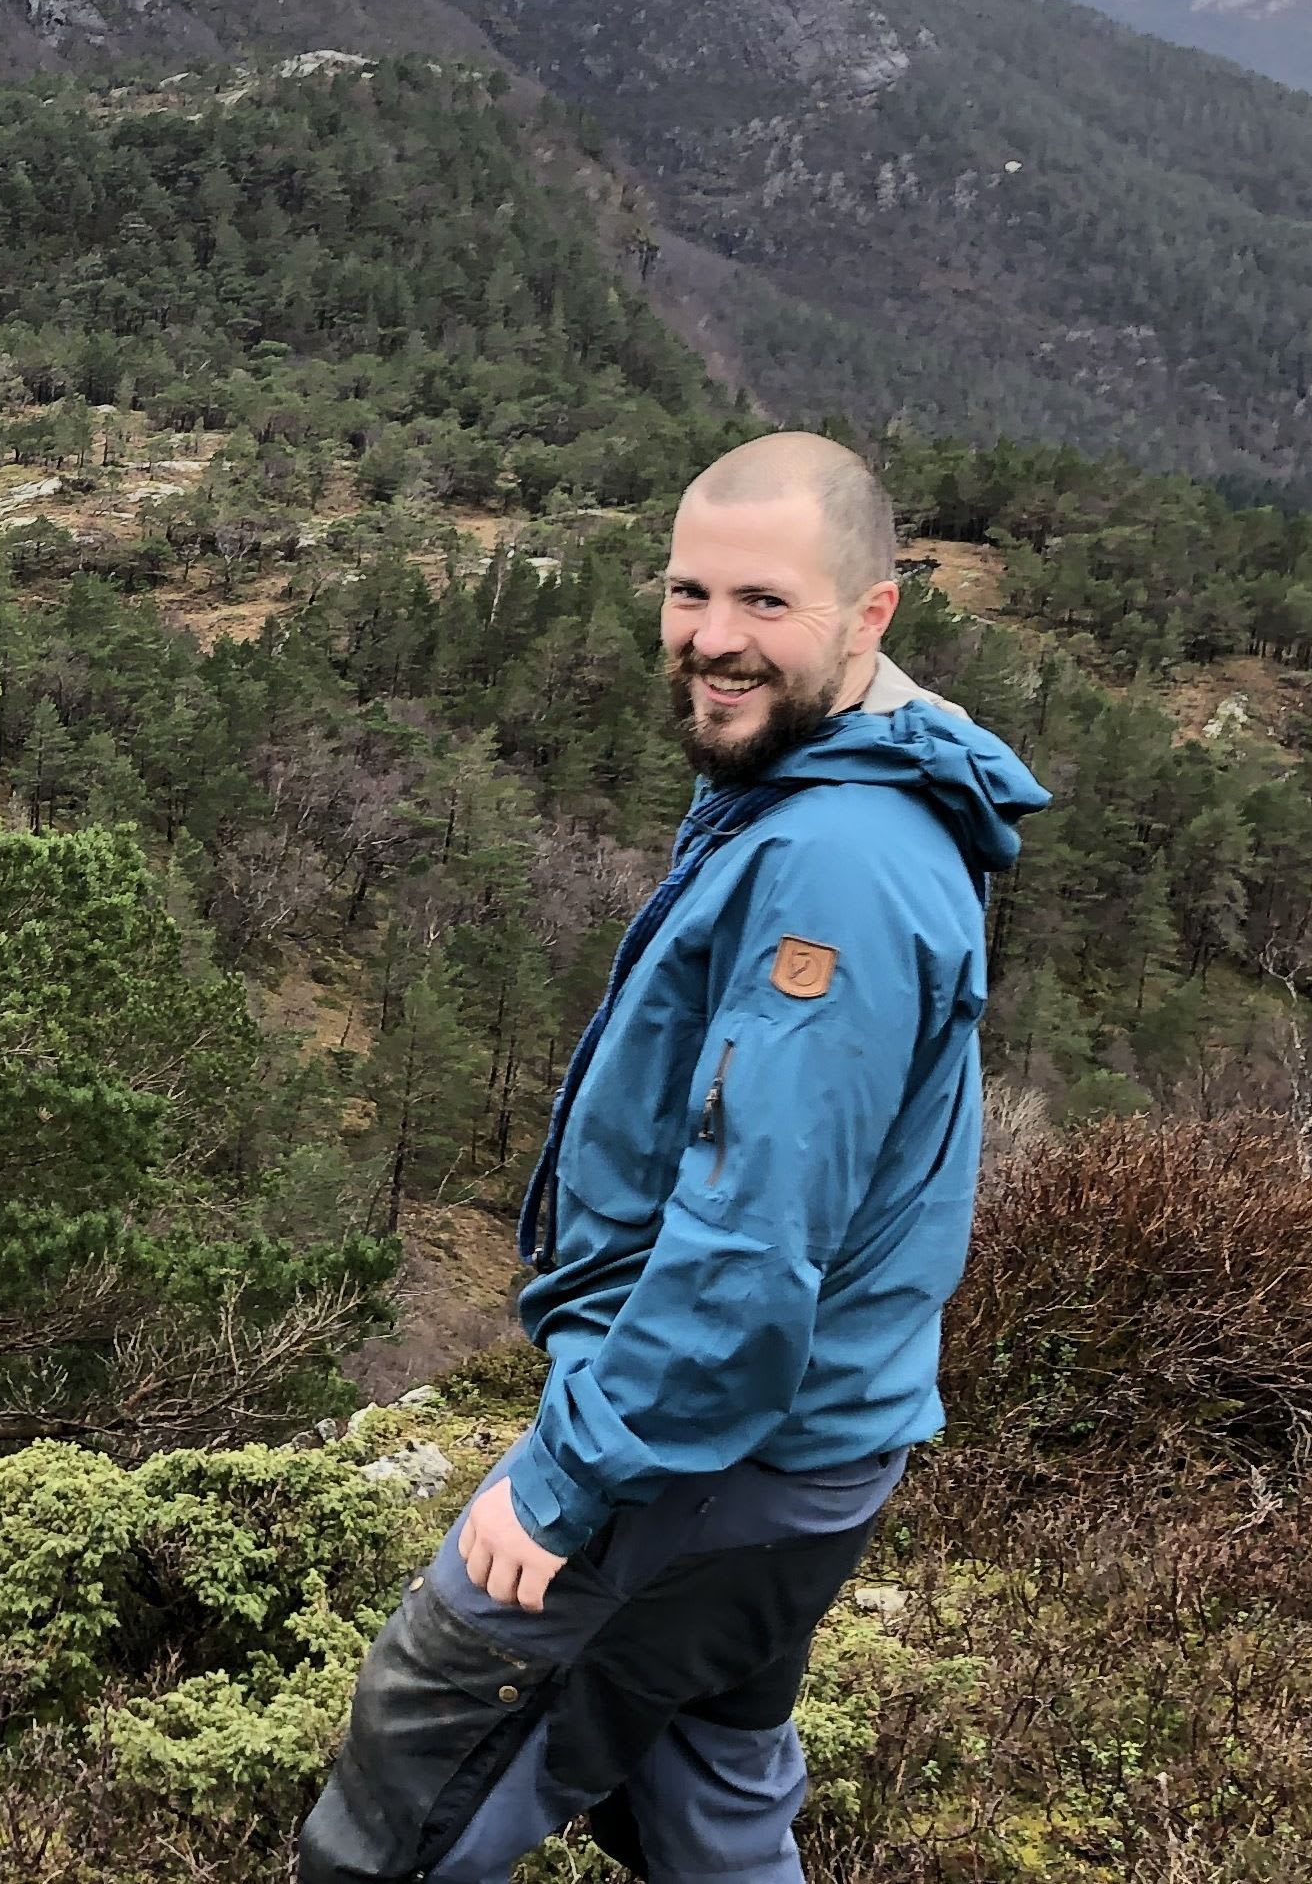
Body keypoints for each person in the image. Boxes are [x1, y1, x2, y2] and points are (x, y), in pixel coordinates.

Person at [299, 432, 1049, 1884]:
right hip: (805, 1458)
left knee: (408, 1781)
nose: (711, 638)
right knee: (709, 1796)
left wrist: (568, 1477)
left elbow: (753, 1237)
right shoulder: (816, 782)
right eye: (688, 592)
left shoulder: (836, 863)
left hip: (713, 1457)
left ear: (872, 613)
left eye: (765, 600)